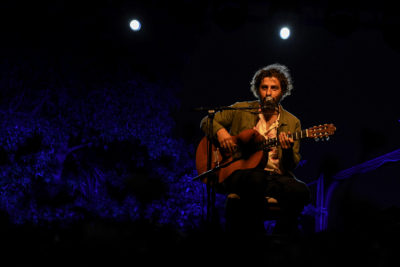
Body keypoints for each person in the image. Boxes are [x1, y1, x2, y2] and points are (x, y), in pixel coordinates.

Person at [199, 63, 310, 239]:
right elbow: (207, 121)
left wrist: (287, 150)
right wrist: (221, 133)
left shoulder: (292, 122)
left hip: (275, 175)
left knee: (301, 191)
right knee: (256, 179)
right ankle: (256, 235)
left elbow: (291, 164)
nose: (268, 92)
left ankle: (280, 237)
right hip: (240, 171)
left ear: (282, 91)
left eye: (274, 88)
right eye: (264, 87)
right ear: (258, 90)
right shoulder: (241, 109)